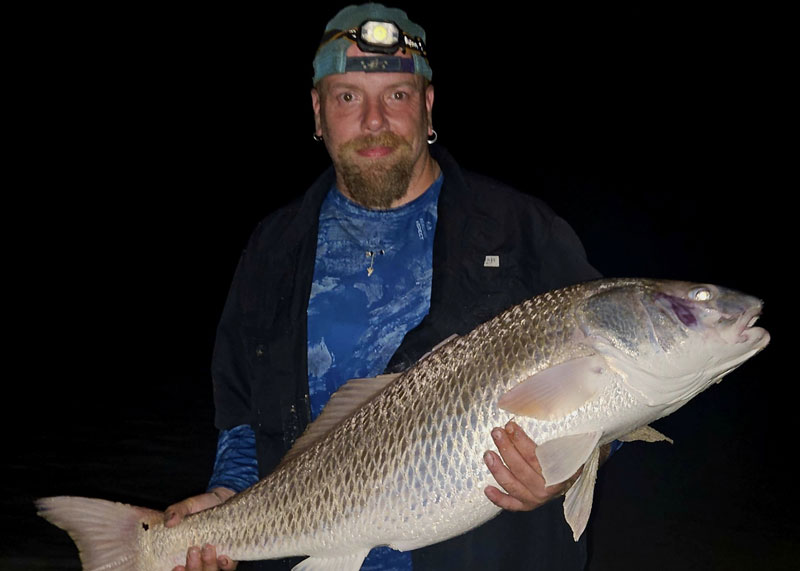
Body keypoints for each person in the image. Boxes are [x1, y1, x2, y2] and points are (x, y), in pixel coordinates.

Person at [165, 4, 608, 570]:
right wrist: (226, 499)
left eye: (396, 95)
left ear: (427, 106)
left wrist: (574, 460)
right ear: (318, 112)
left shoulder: (525, 233)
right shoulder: (272, 252)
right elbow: (244, 417)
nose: (373, 120)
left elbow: (614, 384)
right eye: (348, 96)